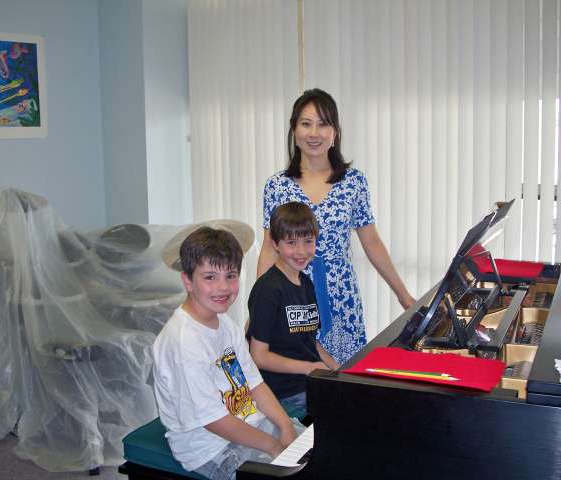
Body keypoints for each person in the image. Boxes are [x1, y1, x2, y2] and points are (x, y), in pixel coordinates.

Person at [257, 88, 416, 365]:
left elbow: (372, 242)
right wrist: (259, 307)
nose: (314, 133)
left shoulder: (353, 182)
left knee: (343, 376)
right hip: (292, 297)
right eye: (306, 124)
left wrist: (404, 296)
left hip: (341, 297)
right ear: (294, 130)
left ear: (335, 132)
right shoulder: (277, 186)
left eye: (323, 124)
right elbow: (269, 249)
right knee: (300, 373)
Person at [154, 223, 301, 480]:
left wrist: (285, 425)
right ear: (188, 281)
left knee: (323, 452)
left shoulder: (225, 323)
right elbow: (214, 421)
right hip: (211, 447)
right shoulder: (183, 343)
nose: (223, 287)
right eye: (210, 277)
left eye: (230, 276)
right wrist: (272, 445)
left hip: (248, 422)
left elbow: (255, 383)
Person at [247, 202, 339, 419]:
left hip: (309, 383)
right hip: (283, 393)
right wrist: (308, 367)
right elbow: (258, 356)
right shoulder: (267, 289)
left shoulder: (306, 284)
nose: (301, 251)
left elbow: (311, 342)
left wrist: (339, 371)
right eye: (291, 243)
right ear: (275, 243)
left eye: (308, 241)